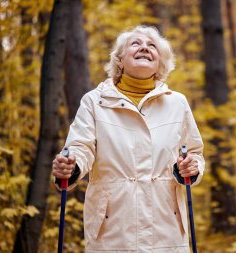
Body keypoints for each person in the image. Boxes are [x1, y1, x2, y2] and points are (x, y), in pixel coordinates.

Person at [52, 25, 204, 253]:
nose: (144, 47)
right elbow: (80, 147)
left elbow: (194, 153)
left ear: (160, 64)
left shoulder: (177, 103)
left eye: (152, 45)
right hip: (112, 230)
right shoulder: (94, 102)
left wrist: (191, 166)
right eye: (136, 43)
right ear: (119, 60)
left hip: (166, 229)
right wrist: (71, 165)